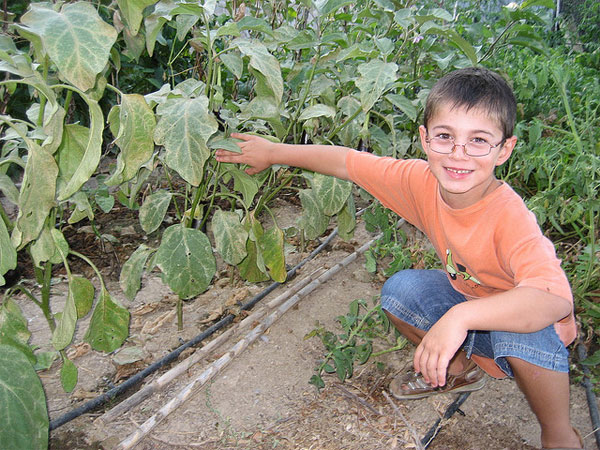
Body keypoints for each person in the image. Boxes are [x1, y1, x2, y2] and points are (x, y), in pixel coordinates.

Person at [215, 67, 582, 450]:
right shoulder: (420, 180)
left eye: (478, 140)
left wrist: (460, 317)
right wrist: (273, 152)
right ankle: (459, 370)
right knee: (400, 291)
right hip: (475, 312)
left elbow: (553, 299)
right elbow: (347, 162)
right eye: (445, 136)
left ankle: (557, 430)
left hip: (531, 335)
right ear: (424, 139)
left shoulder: (509, 217)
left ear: (504, 149)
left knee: (515, 327)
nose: (458, 153)